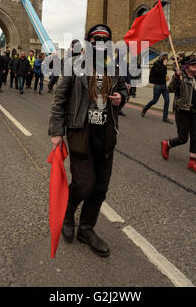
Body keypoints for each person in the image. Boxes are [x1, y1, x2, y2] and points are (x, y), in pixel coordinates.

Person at [49, 24, 128, 258]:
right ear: (88, 41)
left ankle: (86, 228)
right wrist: (56, 132)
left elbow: (123, 91)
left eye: (105, 39)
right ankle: (67, 212)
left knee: (101, 187)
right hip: (80, 132)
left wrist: (120, 98)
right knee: (84, 184)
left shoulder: (113, 66)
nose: (101, 43)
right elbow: (59, 98)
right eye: (96, 39)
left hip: (106, 135)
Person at [161, 55, 196, 176]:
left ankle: (192, 162)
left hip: (195, 112)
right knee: (183, 138)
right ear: (187, 66)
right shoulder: (180, 77)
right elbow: (170, 88)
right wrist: (176, 77)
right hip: (183, 111)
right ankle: (167, 143)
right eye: (193, 64)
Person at [141, 52, 172, 124]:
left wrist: (166, 76)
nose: (166, 59)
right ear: (161, 57)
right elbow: (158, 73)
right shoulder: (156, 64)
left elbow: (163, 73)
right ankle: (145, 108)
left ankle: (165, 117)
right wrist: (164, 66)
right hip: (158, 86)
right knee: (155, 100)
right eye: (164, 57)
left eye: (166, 57)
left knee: (167, 101)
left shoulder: (165, 65)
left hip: (164, 86)